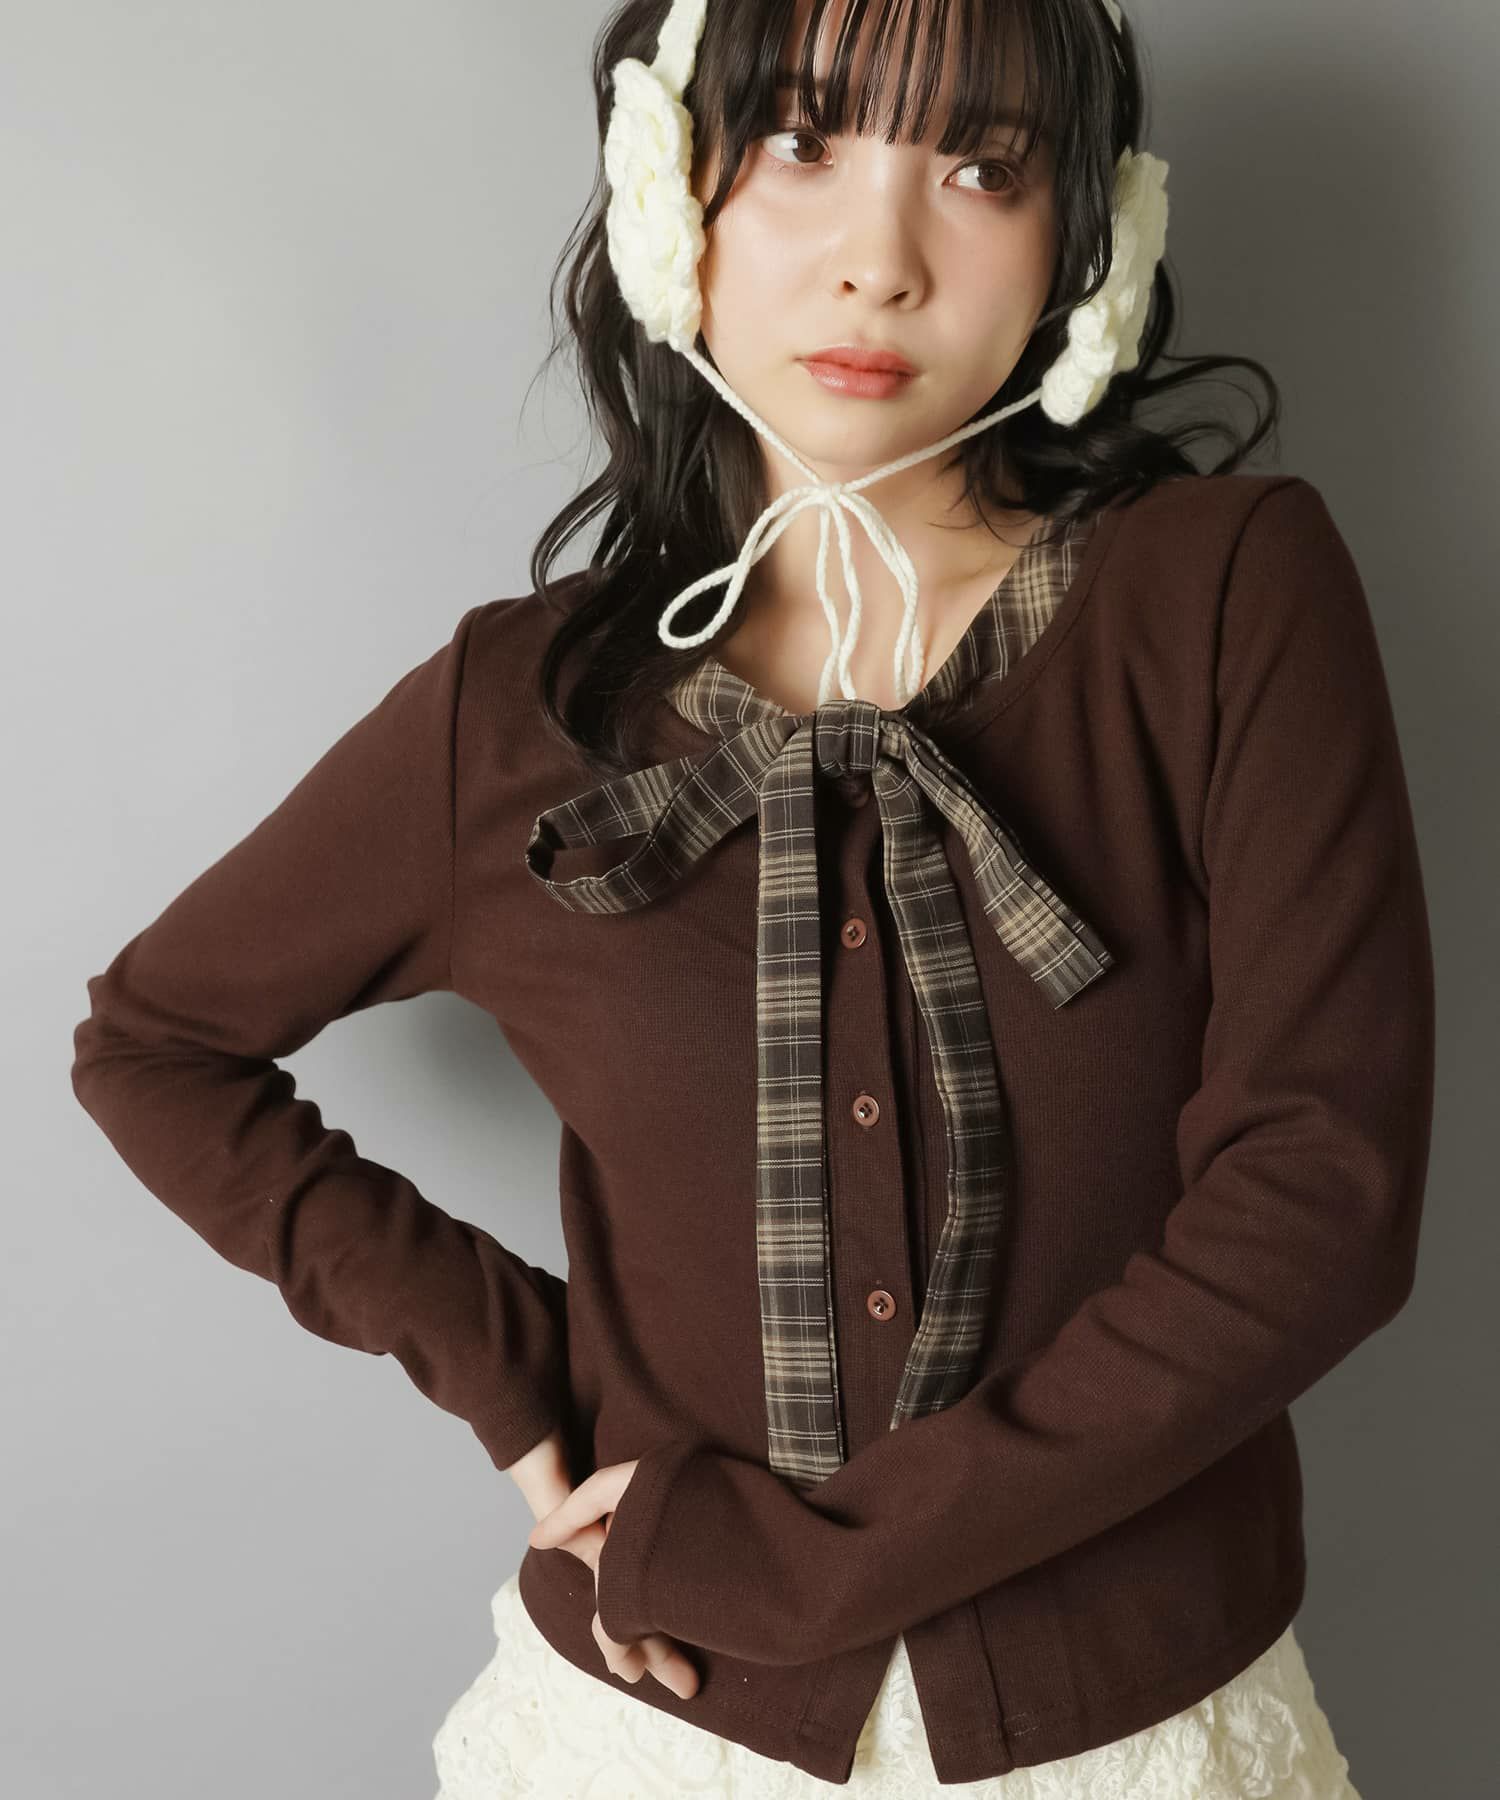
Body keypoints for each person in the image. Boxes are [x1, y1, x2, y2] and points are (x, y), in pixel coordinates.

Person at [71, 2, 1434, 1796]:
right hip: (648, 1733)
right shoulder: (520, 707)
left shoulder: (1230, 595)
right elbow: (153, 1046)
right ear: (666, 196)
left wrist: (809, 1567)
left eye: (983, 170)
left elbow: (1322, 1199)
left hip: (1145, 1733)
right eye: (801, 144)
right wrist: (526, 1385)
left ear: (1084, 244)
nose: (881, 259)